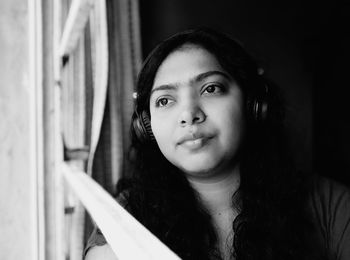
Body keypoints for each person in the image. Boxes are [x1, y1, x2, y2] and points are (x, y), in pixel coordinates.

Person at [84, 28, 350, 260]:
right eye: (165, 100)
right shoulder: (125, 219)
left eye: (211, 88)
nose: (189, 114)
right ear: (146, 126)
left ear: (253, 105)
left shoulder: (329, 205)